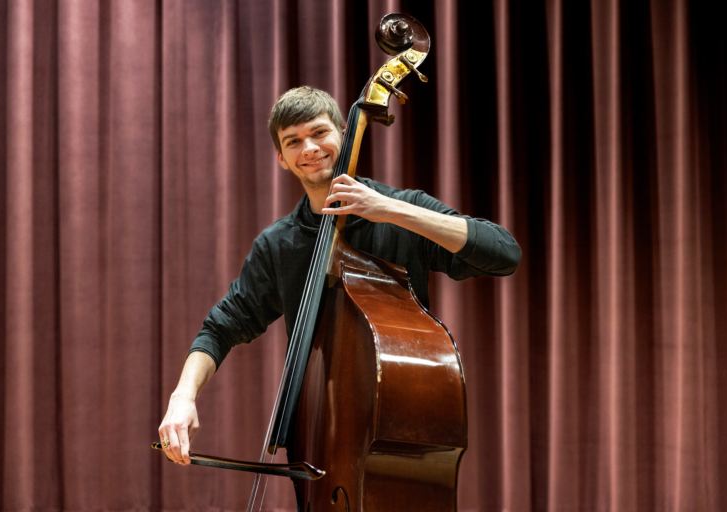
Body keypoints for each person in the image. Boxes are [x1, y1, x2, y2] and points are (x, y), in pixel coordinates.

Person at [158, 86, 521, 469]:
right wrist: (182, 396)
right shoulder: (279, 244)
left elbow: (504, 253)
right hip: (318, 444)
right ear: (282, 159)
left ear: (345, 134)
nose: (309, 148)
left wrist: (391, 211)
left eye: (319, 132)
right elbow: (221, 327)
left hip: (403, 438)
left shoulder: (400, 209)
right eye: (293, 141)